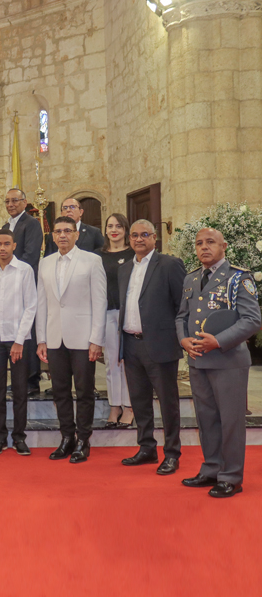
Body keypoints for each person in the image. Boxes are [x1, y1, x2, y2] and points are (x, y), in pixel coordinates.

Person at [177, 228, 262, 498]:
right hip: (198, 360)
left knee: (230, 421)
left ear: (223, 246)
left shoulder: (239, 278)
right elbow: (181, 317)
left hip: (228, 361)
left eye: (210, 242)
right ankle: (212, 468)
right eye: (199, 243)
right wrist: (183, 341)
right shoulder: (191, 278)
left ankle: (231, 476)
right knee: (206, 420)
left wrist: (219, 341)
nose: (204, 247)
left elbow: (252, 320)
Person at [36, 216, 107, 463]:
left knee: (85, 391)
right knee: (60, 391)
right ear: (52, 236)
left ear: (76, 234)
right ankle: (66, 437)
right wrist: (41, 339)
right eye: (58, 231)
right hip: (55, 337)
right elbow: (42, 303)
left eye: (67, 231)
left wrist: (96, 339)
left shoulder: (92, 261)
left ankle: (83, 440)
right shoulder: (45, 263)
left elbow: (100, 302)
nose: (62, 235)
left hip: (83, 337)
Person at [118, 220, 186, 474]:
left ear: (154, 238)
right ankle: (146, 448)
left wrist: (182, 338)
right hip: (131, 343)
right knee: (139, 401)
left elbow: (182, 305)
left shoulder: (169, 264)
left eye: (144, 235)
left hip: (159, 344)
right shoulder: (125, 269)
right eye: (134, 235)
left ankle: (172, 453)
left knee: (168, 402)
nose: (138, 239)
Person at [0, 229, 37, 456]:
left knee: (21, 390)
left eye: (6, 244)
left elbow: (31, 306)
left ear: (14, 245)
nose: (2, 248)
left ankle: (19, 437)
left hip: (18, 339)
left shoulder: (24, 270)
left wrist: (20, 340)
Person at [2, 188, 43, 395]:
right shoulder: (5, 226)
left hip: (25, 282)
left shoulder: (32, 224)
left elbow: (31, 255)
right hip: (9, 285)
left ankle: (31, 380)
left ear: (25, 202)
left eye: (15, 201)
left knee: (28, 332)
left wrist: (13, 276)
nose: (10, 204)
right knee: (15, 331)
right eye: (7, 201)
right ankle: (19, 378)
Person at [97, 213, 135, 428]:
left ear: (125, 229)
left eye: (119, 226)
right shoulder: (98, 256)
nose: (114, 230)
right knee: (112, 363)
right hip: (108, 312)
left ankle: (129, 407)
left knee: (128, 362)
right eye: (110, 226)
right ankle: (115, 405)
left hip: (129, 313)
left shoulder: (133, 253)